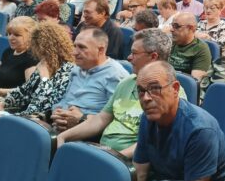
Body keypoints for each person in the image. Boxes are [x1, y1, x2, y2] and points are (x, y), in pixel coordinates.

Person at [56, 29, 179, 158]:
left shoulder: (170, 93)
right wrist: (64, 136)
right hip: (104, 150)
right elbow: (101, 119)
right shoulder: (127, 82)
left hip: (128, 161)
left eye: (134, 53)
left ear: (153, 57)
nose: (129, 57)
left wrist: (115, 157)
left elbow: (152, 142)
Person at [132, 61, 225, 181]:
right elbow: (140, 171)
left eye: (155, 88)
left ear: (175, 89)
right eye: (141, 91)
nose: (146, 98)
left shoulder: (200, 130)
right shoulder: (148, 118)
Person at [51, 28, 128, 132]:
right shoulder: (77, 69)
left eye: (82, 47)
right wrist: (56, 112)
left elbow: (118, 120)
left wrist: (82, 118)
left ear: (100, 50)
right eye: (75, 46)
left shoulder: (116, 76)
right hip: (58, 126)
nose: (74, 53)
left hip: (87, 136)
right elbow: (65, 100)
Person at [0, 22, 76, 117]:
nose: (37, 52)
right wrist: (4, 103)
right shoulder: (44, 63)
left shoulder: (68, 70)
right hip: (25, 115)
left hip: (39, 119)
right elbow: (25, 91)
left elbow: (47, 105)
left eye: (39, 47)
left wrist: (44, 77)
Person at [0, 17, 38, 97]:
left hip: (10, 103)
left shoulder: (33, 58)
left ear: (31, 36)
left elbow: (29, 91)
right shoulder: (9, 51)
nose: (11, 38)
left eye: (17, 35)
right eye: (9, 34)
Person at [169, 12, 212, 80]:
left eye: (176, 26)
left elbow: (195, 81)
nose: (171, 29)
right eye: (172, 26)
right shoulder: (169, 42)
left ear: (190, 28)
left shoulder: (201, 48)